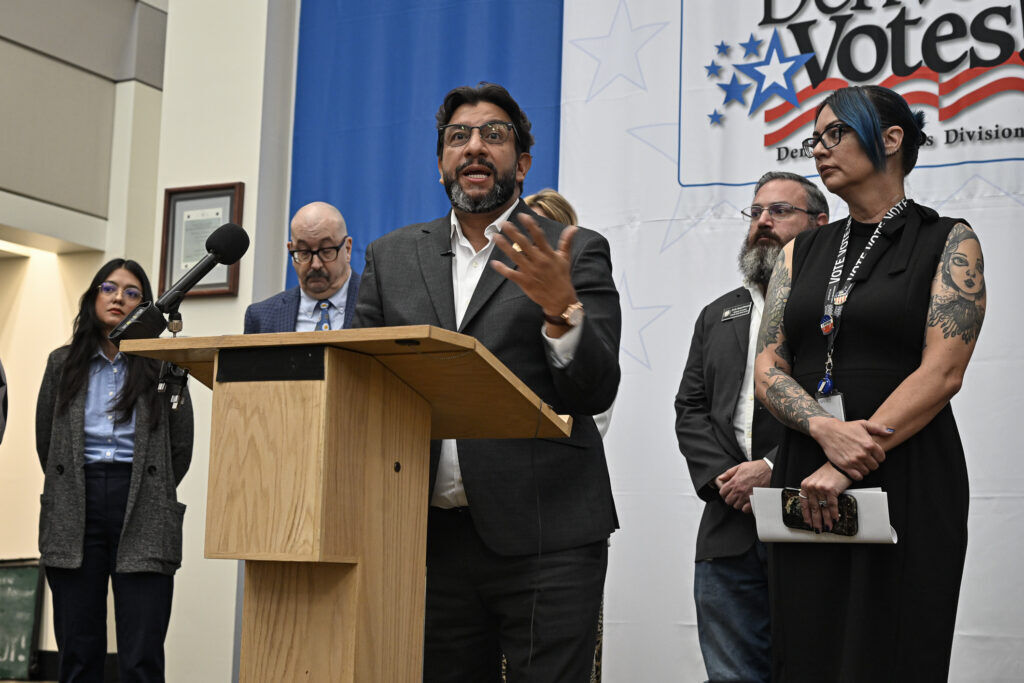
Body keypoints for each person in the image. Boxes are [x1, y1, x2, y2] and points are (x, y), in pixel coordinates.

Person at [353, 82, 621, 682]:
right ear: (441, 160)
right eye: (458, 137)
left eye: (493, 136)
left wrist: (562, 313)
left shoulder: (572, 250)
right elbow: (358, 382)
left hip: (548, 534)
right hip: (429, 539)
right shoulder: (391, 256)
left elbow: (596, 390)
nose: (474, 148)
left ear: (522, 163)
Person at [753, 85, 985, 680]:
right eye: (815, 139)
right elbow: (768, 368)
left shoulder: (949, 240)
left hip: (906, 467)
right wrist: (826, 432)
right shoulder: (800, 251)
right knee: (805, 649)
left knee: (897, 648)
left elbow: (943, 371)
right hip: (808, 468)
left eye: (836, 134)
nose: (820, 151)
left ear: (890, 139)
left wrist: (854, 452)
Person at [676, 171, 828, 682]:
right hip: (728, 527)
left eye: (780, 211)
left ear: (820, 224)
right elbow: (691, 408)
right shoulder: (717, 315)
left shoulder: (839, 308)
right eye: (757, 212)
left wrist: (770, 468)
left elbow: (847, 407)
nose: (763, 222)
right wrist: (728, 478)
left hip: (814, 516)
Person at [36, 258, 194, 682]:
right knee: (78, 649)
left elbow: (180, 446)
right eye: (109, 288)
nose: (118, 298)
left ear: (144, 308)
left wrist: (152, 491)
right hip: (75, 504)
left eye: (131, 293)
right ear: (92, 298)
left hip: (142, 501)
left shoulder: (165, 363)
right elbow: (47, 444)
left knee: (141, 654)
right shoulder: (61, 363)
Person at [244, 201, 360, 333]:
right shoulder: (261, 317)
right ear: (291, 249)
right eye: (304, 253)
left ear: (348, 249)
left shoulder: (379, 305)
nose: (316, 264)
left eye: (326, 251)